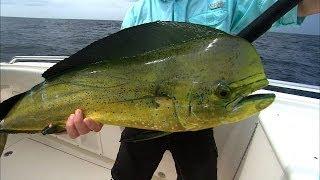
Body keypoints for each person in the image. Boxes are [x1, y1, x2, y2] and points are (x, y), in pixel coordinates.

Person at [64, 1, 319, 180]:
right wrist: (95, 114)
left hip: (197, 118)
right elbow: (122, 76)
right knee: (126, 175)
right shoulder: (139, 11)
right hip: (144, 119)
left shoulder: (225, 2)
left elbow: (302, 5)